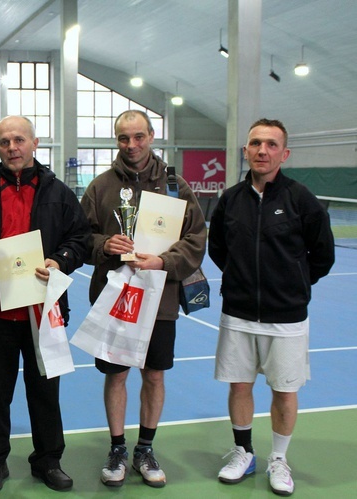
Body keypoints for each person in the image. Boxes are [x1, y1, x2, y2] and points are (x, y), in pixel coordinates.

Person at [0, 115, 91, 493]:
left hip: (44, 310)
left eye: (18, 140)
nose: (11, 148)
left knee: (45, 392)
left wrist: (60, 259)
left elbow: (81, 239)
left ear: (34, 143)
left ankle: (48, 461)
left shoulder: (58, 192)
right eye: (3, 142)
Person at [79, 110, 207, 488]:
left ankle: (145, 449)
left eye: (138, 136)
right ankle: (117, 448)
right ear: (115, 140)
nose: (131, 145)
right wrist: (105, 244)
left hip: (160, 299)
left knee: (154, 374)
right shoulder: (100, 187)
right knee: (116, 374)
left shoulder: (175, 187)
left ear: (151, 136)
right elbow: (79, 237)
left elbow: (196, 239)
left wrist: (163, 261)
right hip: (114, 299)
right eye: (123, 138)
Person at [209, 118, 335, 496]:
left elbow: (322, 256)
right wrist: (242, 280)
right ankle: (243, 452)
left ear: (285, 153)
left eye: (271, 144)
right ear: (245, 150)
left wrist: (292, 285)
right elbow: (218, 250)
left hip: (287, 317)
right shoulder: (229, 199)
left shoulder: (302, 199)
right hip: (238, 313)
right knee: (240, 385)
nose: (262, 150)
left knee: (284, 390)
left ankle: (279, 459)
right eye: (256, 143)